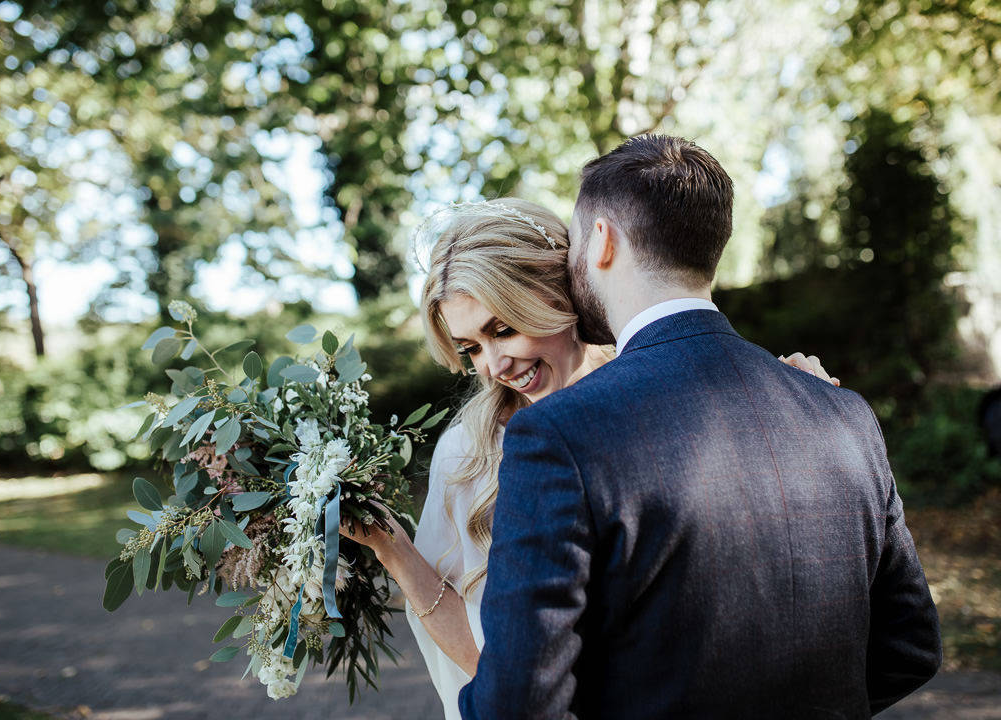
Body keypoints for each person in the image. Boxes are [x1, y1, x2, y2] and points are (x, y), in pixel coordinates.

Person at [457, 135, 942, 719]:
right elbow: (910, 648)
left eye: (577, 244)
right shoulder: (844, 413)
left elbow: (518, 704)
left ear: (603, 241)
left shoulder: (558, 433)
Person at [342, 195, 840, 719]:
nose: (493, 365)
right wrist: (390, 547)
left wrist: (794, 408)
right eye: (471, 349)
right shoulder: (469, 451)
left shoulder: (674, 394)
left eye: (503, 329)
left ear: (555, 294)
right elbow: (495, 670)